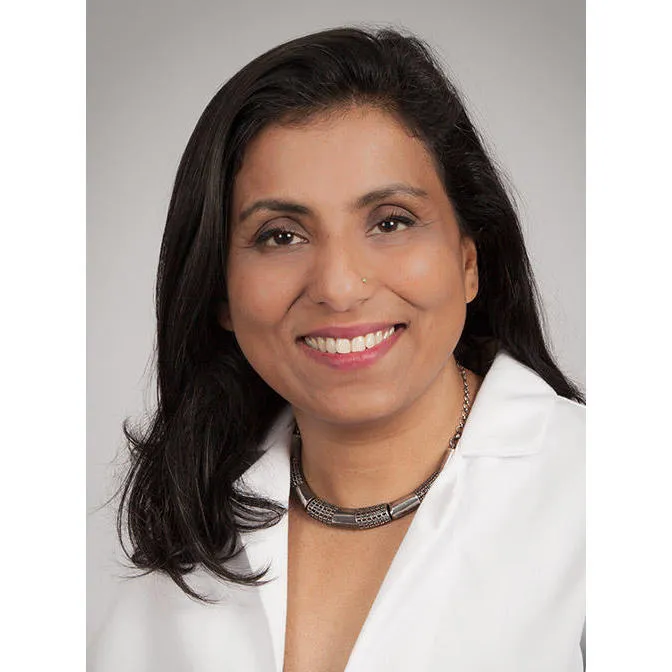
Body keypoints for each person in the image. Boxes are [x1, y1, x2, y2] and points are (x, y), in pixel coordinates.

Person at [88, 27, 585, 672]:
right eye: (281, 235)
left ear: (469, 259)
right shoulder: (187, 547)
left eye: (390, 221)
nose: (339, 287)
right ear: (221, 292)